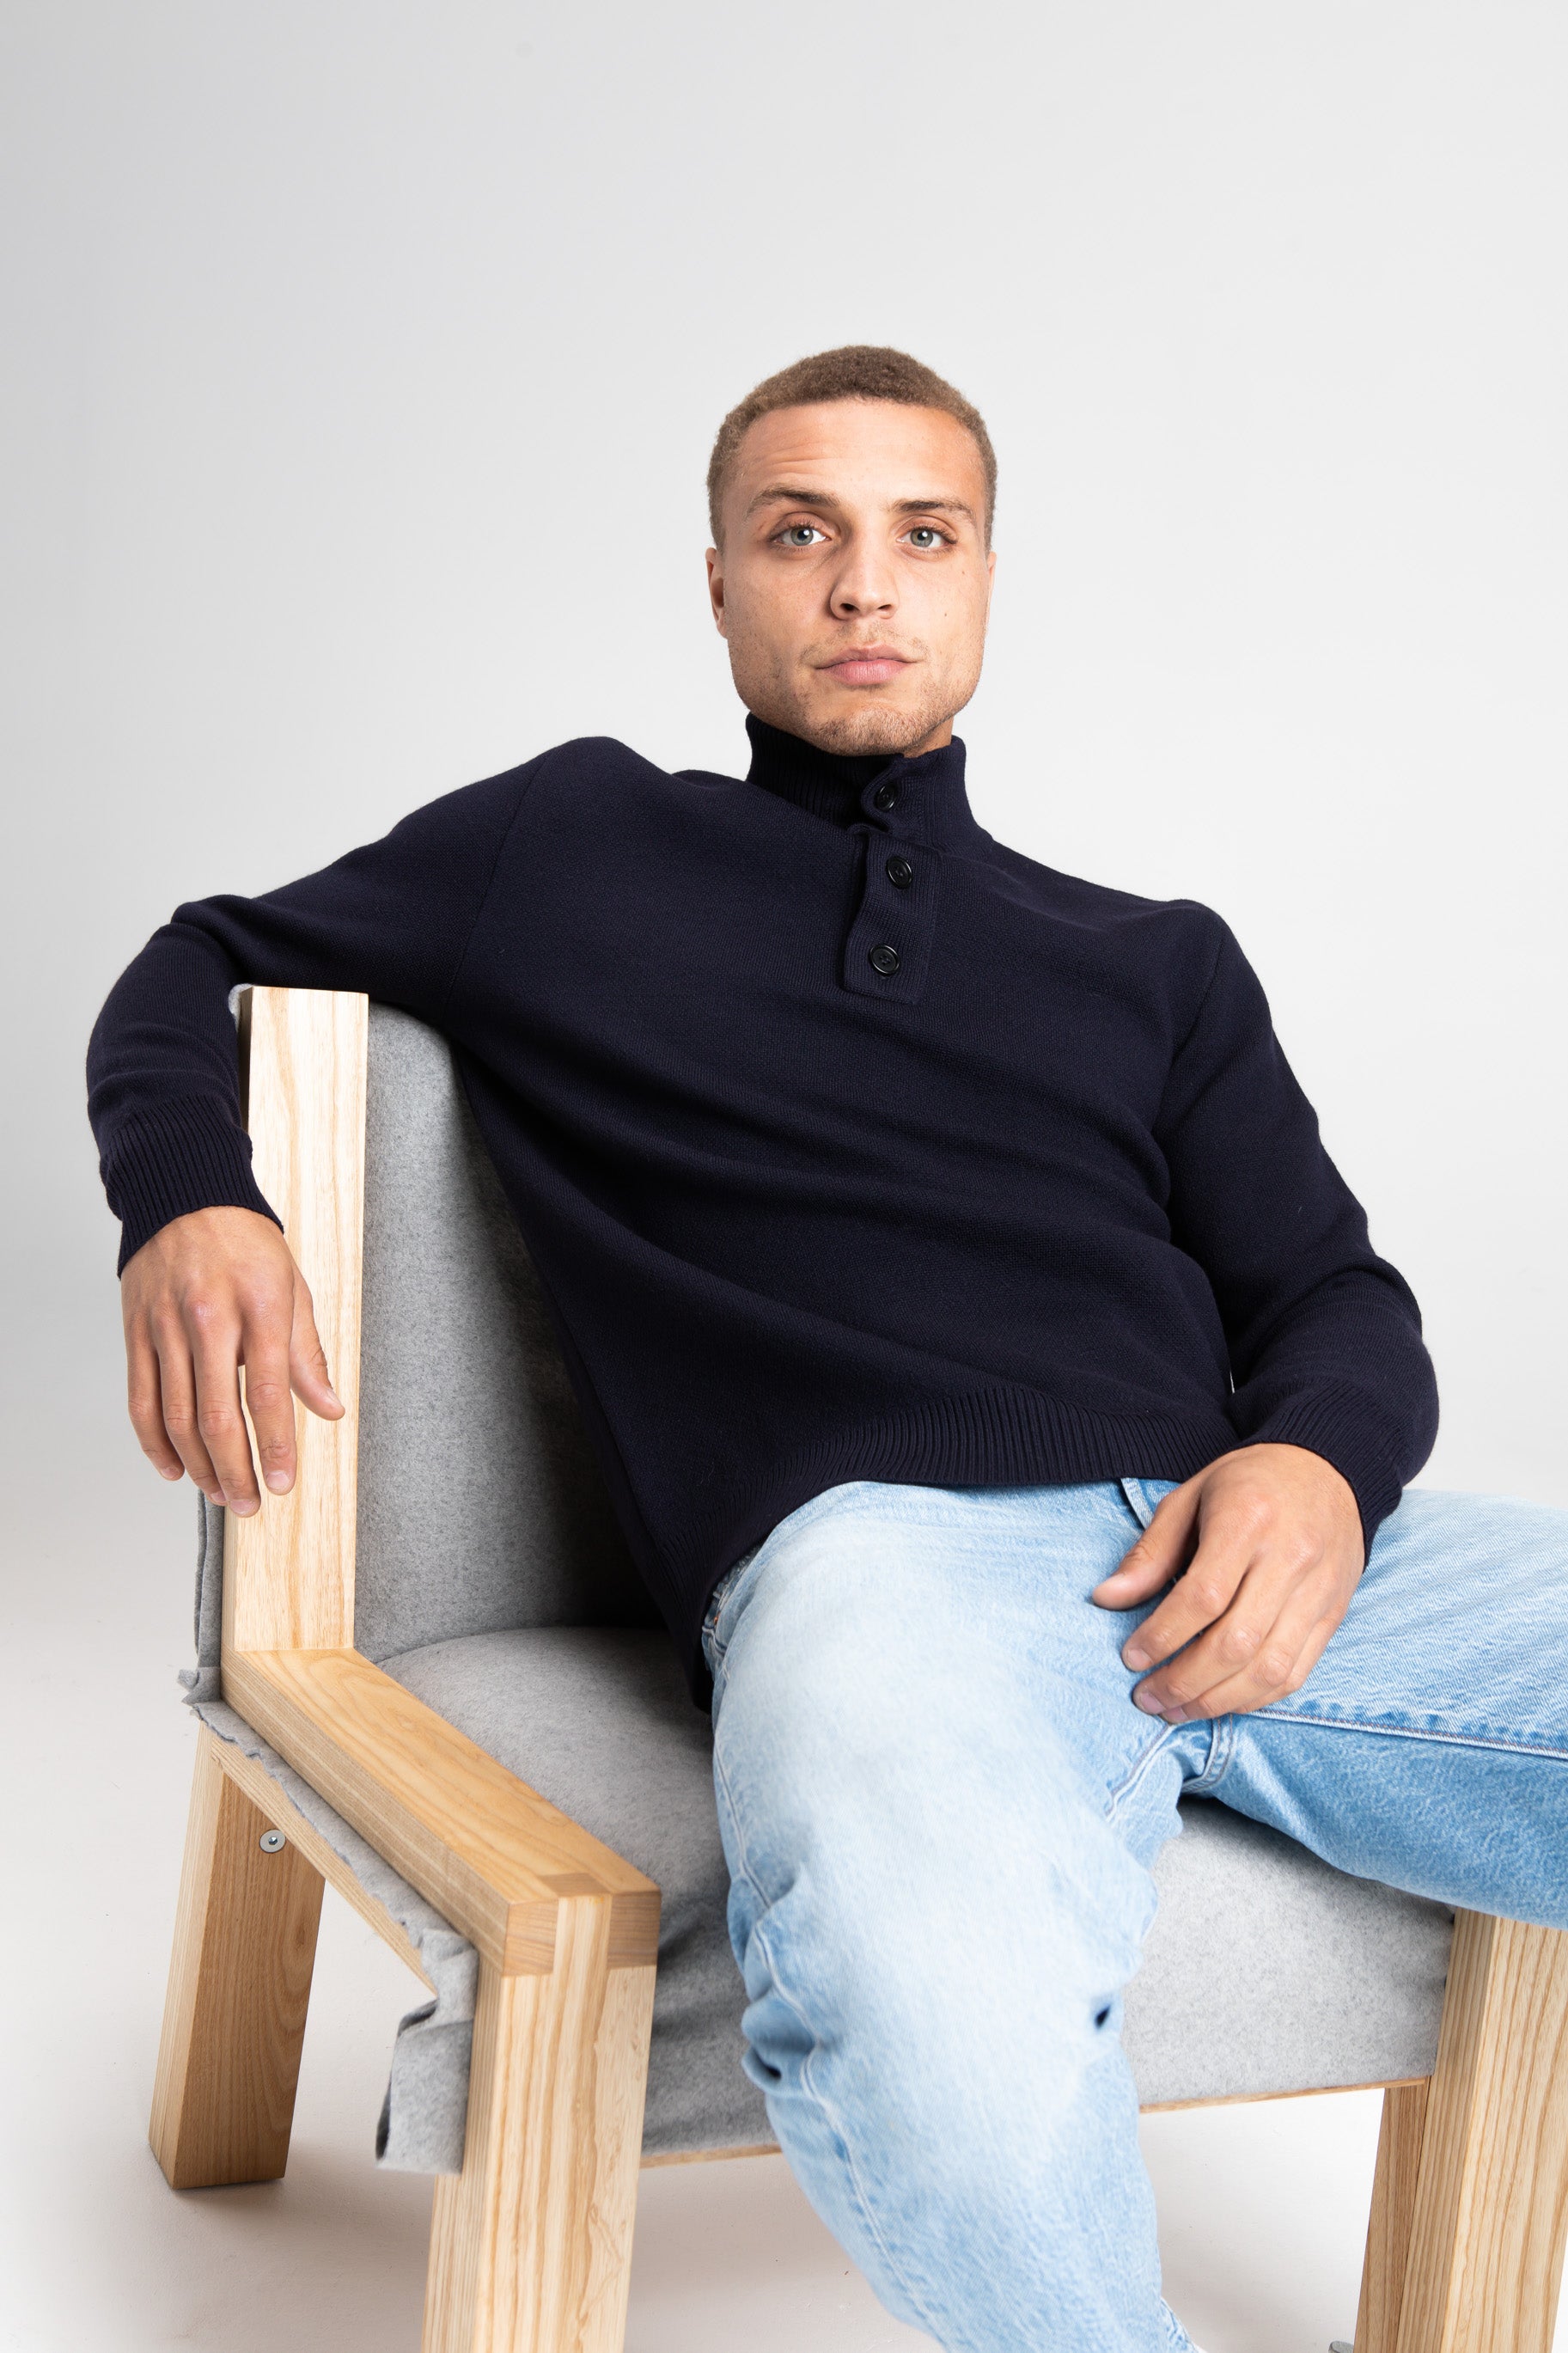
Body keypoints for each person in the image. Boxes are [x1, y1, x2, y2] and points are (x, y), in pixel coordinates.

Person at [87, 345, 1568, 2353]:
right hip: (892, 1573)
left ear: (981, 580)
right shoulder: (571, 845)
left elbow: (1335, 1300)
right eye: (803, 533)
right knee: (922, 2015)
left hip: (1269, 1539)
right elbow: (193, 959)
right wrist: (189, 1192)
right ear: (721, 585)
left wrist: (1312, 1464)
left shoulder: (1155, 960)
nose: (864, 584)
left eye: (920, 534)